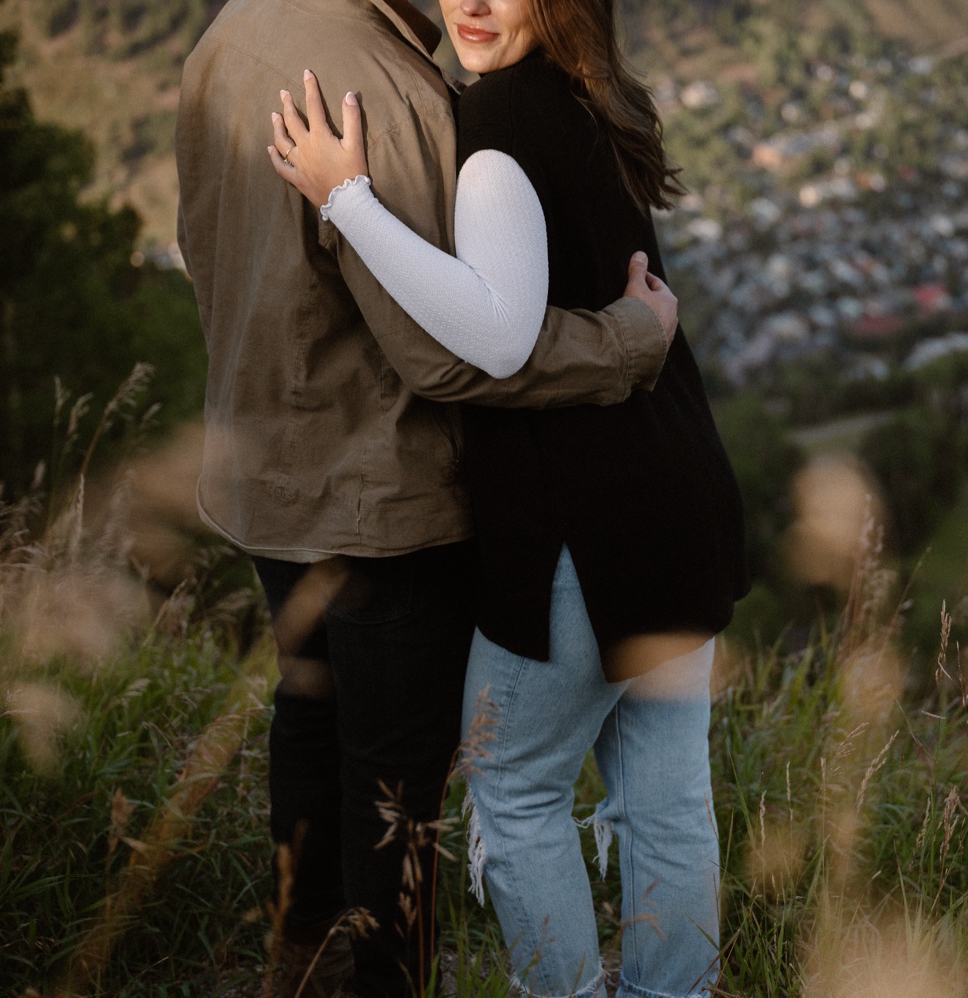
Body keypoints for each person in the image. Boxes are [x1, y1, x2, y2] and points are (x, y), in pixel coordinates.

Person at [174, 0, 681, 993]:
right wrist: (627, 339)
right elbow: (457, 354)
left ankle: (302, 956)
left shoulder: (234, 27)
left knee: (310, 711)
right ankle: (386, 980)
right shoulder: (391, 94)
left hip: (263, 467)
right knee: (395, 779)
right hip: (382, 502)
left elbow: (204, 240)